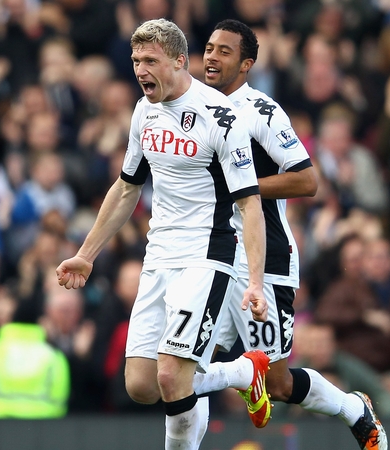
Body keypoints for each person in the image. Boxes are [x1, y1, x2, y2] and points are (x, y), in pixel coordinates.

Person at [56, 19, 267, 450]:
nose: (140, 69)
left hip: (207, 255)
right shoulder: (143, 110)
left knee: (172, 375)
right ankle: (243, 373)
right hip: (159, 255)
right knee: (142, 385)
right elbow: (126, 187)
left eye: (150, 60)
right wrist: (86, 254)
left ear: (179, 60)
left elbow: (250, 204)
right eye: (136, 60)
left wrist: (256, 281)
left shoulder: (222, 117)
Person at [195, 19, 387, 450]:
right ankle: (244, 376)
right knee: (182, 367)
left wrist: (244, 184)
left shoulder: (261, 111)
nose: (211, 56)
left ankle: (354, 409)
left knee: (278, 385)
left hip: (263, 260)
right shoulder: (187, 108)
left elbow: (306, 181)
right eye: (208, 48)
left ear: (246, 65)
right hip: (208, 256)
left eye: (225, 51)